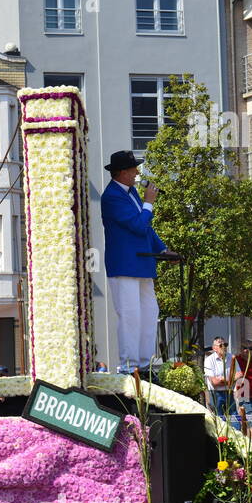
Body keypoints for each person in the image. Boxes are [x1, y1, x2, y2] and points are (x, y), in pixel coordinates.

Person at [100, 150, 170, 374]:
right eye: (133, 170)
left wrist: (163, 249)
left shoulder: (130, 193)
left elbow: (145, 229)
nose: (137, 173)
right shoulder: (111, 196)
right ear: (121, 173)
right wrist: (149, 203)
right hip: (124, 265)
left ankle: (143, 363)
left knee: (150, 313)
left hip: (141, 263)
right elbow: (139, 224)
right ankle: (128, 365)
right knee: (130, 315)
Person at [203, 337, 231, 416]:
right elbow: (214, 382)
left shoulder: (231, 357)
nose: (224, 347)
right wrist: (230, 381)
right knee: (219, 419)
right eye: (221, 345)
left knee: (234, 419)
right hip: (216, 393)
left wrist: (222, 380)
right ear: (214, 348)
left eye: (225, 344)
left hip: (229, 392)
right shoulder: (209, 360)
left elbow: (239, 374)